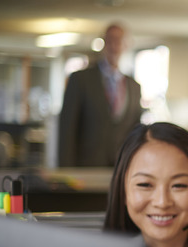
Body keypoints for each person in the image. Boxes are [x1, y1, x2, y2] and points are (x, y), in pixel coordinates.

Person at [58, 22, 142, 167]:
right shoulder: (80, 79)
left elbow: (136, 132)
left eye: (119, 41)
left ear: (126, 45)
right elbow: (67, 128)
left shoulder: (134, 87)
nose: (114, 46)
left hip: (121, 167)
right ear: (103, 43)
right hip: (86, 167)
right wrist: (66, 170)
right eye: (110, 40)